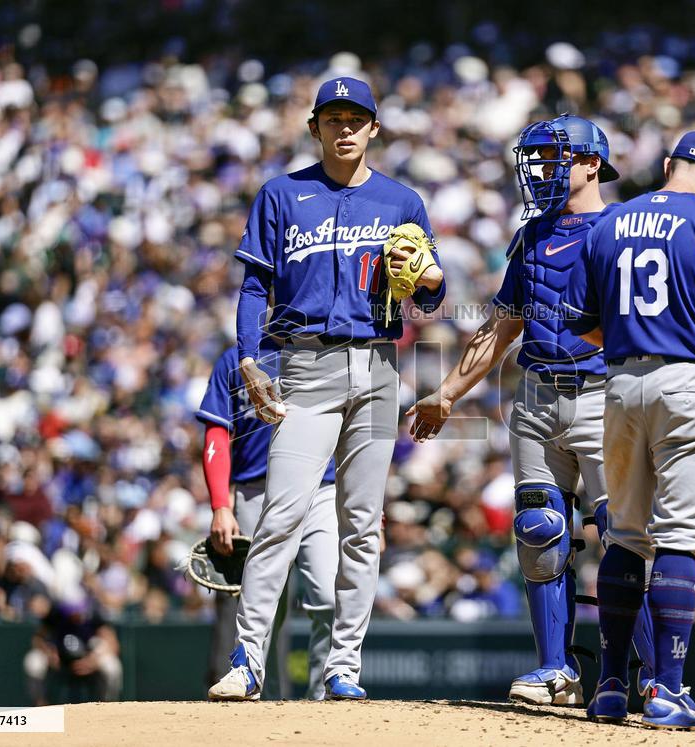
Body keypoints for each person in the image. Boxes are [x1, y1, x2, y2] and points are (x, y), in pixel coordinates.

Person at [208, 77, 446, 702]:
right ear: (315, 127)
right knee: (281, 514)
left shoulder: (401, 201)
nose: (344, 128)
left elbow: (432, 299)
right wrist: (250, 358)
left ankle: (344, 666)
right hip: (305, 364)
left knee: (361, 524)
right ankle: (248, 660)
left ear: (374, 128)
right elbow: (254, 288)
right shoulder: (282, 194)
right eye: (333, 118)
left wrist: (429, 280)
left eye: (355, 118)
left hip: (377, 365)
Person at [409, 115, 658, 706]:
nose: (542, 170)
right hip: (538, 395)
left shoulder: (624, 230)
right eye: (538, 159)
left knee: (621, 536)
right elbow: (502, 325)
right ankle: (556, 671)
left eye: (554, 158)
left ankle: (654, 678)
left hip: (604, 395)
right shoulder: (531, 236)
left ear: (591, 164)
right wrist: (448, 392)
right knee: (539, 531)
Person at [564, 131, 695, 730]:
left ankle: (609, 686)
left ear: (666, 166)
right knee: (678, 539)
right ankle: (667, 690)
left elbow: (582, 321)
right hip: (688, 382)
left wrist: (636, 340)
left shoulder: (609, 222)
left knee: (625, 537)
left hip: (619, 383)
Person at [197, 338, 337, 700]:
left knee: (329, 595)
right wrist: (220, 505)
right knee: (258, 605)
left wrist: (372, 512)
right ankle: (255, 695)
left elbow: (356, 432)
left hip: (322, 487)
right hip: (255, 492)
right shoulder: (235, 360)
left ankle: (325, 697)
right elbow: (216, 434)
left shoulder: (327, 350)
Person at [23, 590, 121, 705]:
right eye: (71, 611)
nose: (74, 614)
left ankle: (107, 705)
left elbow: (113, 644)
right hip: (59, 659)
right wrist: (49, 654)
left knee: (111, 665)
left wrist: (92, 662)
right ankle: (40, 704)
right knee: (34, 661)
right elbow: (37, 639)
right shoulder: (56, 614)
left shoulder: (94, 614)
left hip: (89, 657)